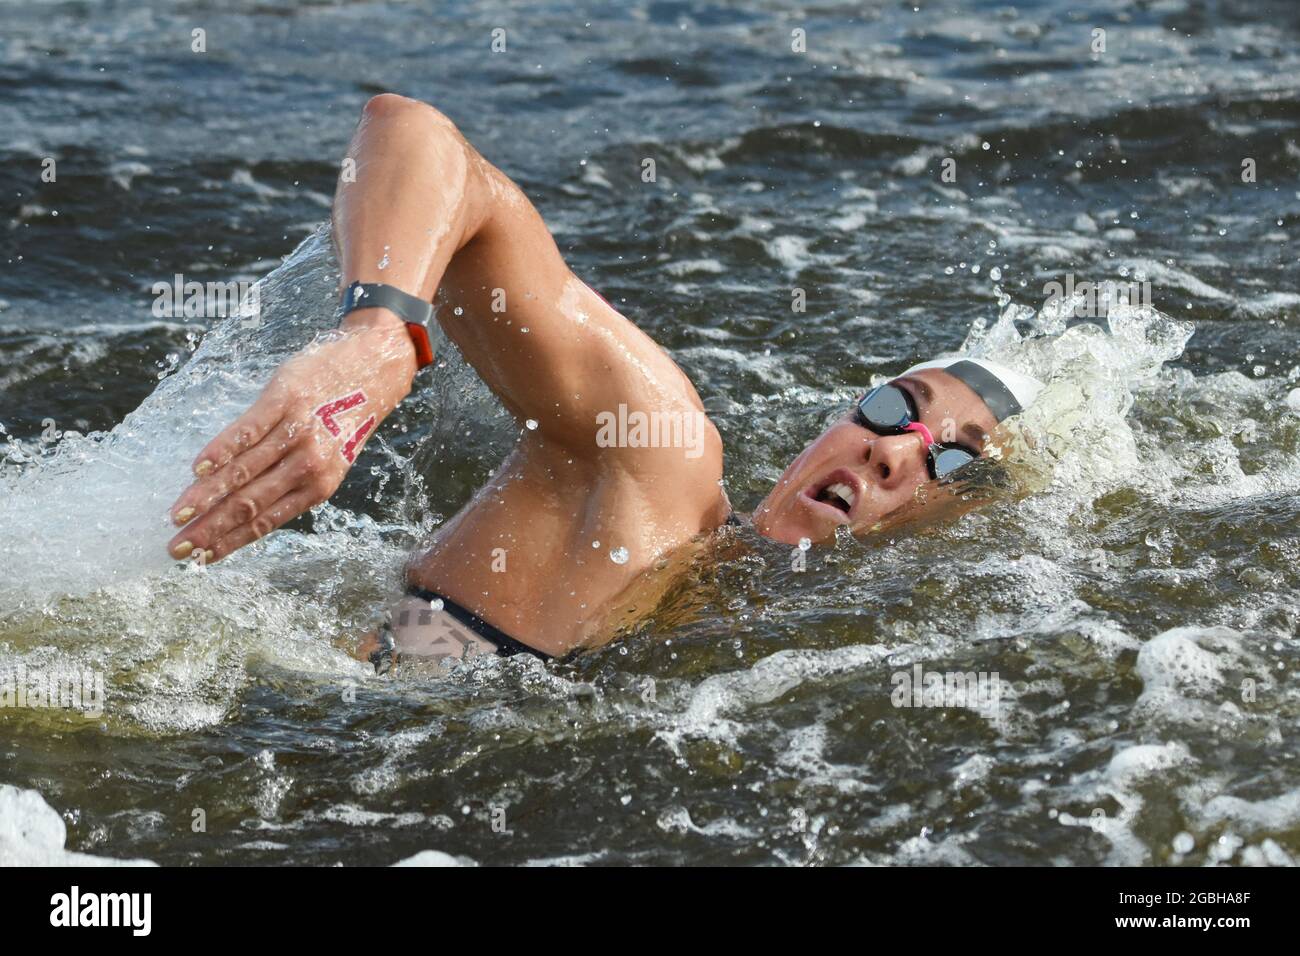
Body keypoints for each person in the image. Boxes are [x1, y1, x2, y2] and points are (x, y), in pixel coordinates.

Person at [164, 94, 1042, 668]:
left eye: (948, 462)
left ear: (956, 525)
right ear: (834, 422)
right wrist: (377, 332)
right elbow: (419, 137)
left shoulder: (826, 672)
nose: (894, 451)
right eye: (895, 409)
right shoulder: (654, 471)